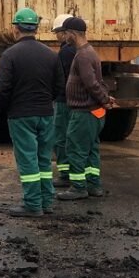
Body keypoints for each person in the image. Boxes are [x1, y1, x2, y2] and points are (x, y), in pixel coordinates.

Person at [0, 8, 64, 217]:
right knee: (44, 159)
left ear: (16, 29)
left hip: (21, 114)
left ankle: (33, 204)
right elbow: (59, 86)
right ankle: (46, 202)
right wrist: (46, 101)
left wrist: (5, 107)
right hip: (46, 113)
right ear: (36, 28)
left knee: (27, 160)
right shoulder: (50, 55)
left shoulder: (10, 55)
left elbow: (2, 88)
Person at [57, 17, 117, 201]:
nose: (64, 36)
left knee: (75, 149)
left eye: (66, 33)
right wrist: (105, 99)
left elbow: (91, 83)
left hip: (83, 112)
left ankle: (78, 187)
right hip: (92, 112)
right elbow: (98, 82)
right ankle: (93, 185)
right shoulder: (90, 52)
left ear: (72, 34)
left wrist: (104, 99)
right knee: (91, 149)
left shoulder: (82, 56)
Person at [51, 14, 77, 188]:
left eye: (57, 33)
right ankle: (79, 175)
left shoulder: (66, 51)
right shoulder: (80, 50)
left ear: (64, 32)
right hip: (75, 100)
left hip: (64, 100)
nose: (56, 36)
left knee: (60, 137)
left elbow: (61, 77)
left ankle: (66, 174)